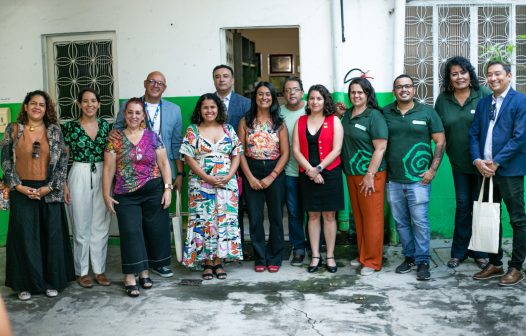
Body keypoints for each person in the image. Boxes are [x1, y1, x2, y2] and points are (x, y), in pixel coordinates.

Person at [0, 90, 75, 301]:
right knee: (25, 238)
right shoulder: (13, 129)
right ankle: (25, 285)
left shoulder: (54, 131)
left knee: (51, 236)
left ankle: (52, 282)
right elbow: (5, 161)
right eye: (33, 103)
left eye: (41, 105)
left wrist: (50, 188)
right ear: (25, 106)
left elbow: (62, 163)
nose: (37, 107)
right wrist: (18, 186)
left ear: (46, 109)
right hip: (22, 191)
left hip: (48, 190)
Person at [113, 70, 183, 277]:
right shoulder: (130, 106)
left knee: (158, 221)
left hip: (162, 170)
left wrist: (179, 173)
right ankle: (139, 265)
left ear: (165, 87)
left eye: (160, 83)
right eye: (152, 81)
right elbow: (117, 133)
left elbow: (176, 142)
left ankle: (159, 262)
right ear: (145, 83)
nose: (155, 85)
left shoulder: (174, 110)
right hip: (132, 173)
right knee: (134, 224)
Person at [103, 98, 173, 297]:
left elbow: (164, 164)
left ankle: (144, 272)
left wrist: (167, 189)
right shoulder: (115, 138)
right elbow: (108, 169)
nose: (134, 116)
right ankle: (130, 276)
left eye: (138, 113)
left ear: (143, 116)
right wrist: (106, 195)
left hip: (153, 191)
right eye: (130, 112)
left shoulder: (153, 136)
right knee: (131, 232)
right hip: (126, 194)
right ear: (125, 115)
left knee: (151, 231)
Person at [383, 75, 446, 281]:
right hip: (393, 179)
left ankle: (423, 261)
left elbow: (440, 142)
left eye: (408, 86)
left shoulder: (427, 113)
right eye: (399, 87)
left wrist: (432, 170)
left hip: (419, 179)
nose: (404, 90)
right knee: (401, 221)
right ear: (394, 91)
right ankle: (409, 257)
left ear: (414, 89)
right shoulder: (385, 113)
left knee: (419, 221)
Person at [469, 60, 526, 286]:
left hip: (509, 171)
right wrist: (477, 160)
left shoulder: (521, 101)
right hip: (485, 170)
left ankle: (516, 267)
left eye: (498, 74)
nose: (493, 78)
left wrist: (498, 162)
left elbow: (520, 137)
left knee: (518, 219)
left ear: (509, 76)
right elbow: (473, 134)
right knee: (489, 217)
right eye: (489, 75)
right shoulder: (483, 103)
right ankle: (495, 262)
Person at [435, 56, 491, 269]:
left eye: (463, 72)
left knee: (481, 207)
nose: (460, 77)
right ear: (449, 78)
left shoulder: (483, 94)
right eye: (454, 73)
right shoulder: (443, 99)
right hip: (459, 164)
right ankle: (459, 252)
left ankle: (481, 253)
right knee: (463, 207)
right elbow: (438, 130)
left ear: (470, 74)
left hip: (484, 166)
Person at [180, 93, 243, 279]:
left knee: (223, 221)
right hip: (200, 185)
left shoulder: (228, 129)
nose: (209, 111)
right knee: (204, 222)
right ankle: (207, 262)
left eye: (213, 107)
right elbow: (188, 157)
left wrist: (229, 176)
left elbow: (237, 154)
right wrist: (206, 177)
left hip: (226, 184)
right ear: (200, 110)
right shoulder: (193, 130)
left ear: (219, 109)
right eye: (206, 107)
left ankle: (219, 261)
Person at [63, 88, 112, 288]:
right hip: (79, 172)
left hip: (103, 172)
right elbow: (64, 158)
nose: (89, 104)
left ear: (99, 104)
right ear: (79, 104)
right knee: (80, 224)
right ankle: (81, 271)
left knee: (101, 224)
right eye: (85, 101)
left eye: (93, 101)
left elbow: (112, 156)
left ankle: (99, 270)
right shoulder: (70, 127)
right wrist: (64, 183)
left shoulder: (106, 126)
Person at [292, 84, 344, 274]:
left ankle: (330, 255)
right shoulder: (300, 121)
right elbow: (296, 150)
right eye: (312, 98)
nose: (315, 102)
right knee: (312, 215)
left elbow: (337, 149)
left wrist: (319, 168)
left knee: (329, 215)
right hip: (307, 173)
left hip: (330, 173)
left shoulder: (334, 120)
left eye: (319, 98)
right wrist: (310, 171)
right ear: (308, 100)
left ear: (325, 101)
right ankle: (315, 255)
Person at [238, 82, 289, 273]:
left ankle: (275, 256)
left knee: (276, 216)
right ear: (255, 97)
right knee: (255, 217)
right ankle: (260, 257)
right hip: (251, 169)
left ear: (273, 98)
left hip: (275, 170)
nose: (264, 98)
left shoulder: (279, 123)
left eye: (268, 94)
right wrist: (249, 177)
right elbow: (240, 152)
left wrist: (272, 176)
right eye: (260, 94)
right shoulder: (245, 121)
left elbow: (285, 153)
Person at [340, 77, 388, 276]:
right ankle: (363, 255)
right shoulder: (348, 115)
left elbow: (380, 147)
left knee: (372, 219)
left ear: (367, 94)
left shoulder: (374, 116)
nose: (356, 95)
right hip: (352, 173)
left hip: (370, 174)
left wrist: (370, 174)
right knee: (359, 218)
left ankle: (372, 261)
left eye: (360, 92)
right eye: (353, 92)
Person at [213, 64, 252, 260]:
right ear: (214, 80)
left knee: (237, 207)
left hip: (239, 161)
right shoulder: (207, 101)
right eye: (218, 76)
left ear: (233, 80)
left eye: (225, 76)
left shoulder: (245, 103)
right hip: (212, 164)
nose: (222, 79)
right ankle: (216, 251)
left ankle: (237, 248)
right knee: (215, 208)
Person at [280, 76, 307, 266]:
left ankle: (316, 247)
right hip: (289, 171)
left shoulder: (312, 107)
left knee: (315, 212)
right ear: (283, 94)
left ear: (302, 92)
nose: (292, 93)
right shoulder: (278, 113)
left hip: (312, 171)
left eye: (295, 89)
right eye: (288, 90)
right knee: (294, 212)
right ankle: (298, 248)